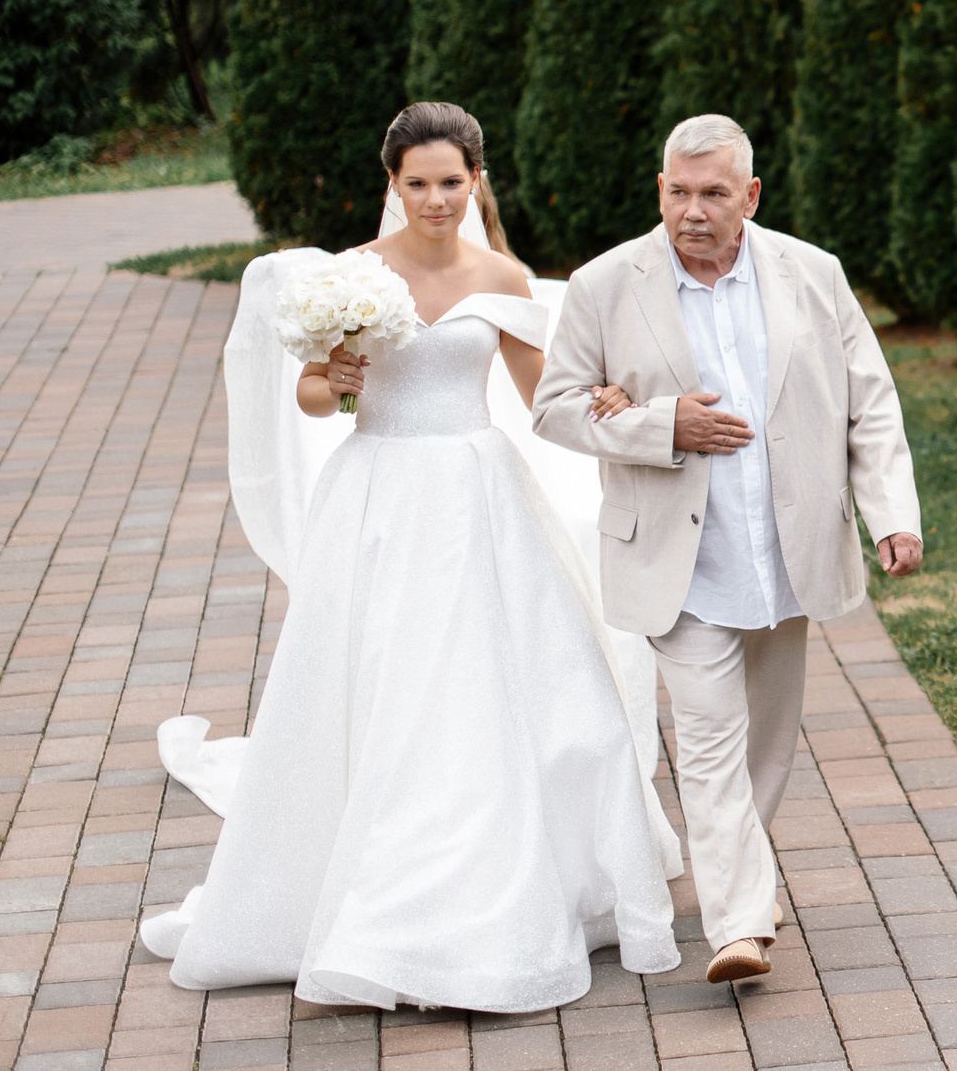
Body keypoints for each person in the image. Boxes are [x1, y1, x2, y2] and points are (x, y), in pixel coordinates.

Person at [138, 103, 685, 1011]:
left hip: (477, 493)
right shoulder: (353, 277)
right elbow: (314, 394)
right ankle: (381, 904)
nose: (436, 198)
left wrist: (610, 398)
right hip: (381, 496)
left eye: (452, 181)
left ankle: (497, 891)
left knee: (497, 682)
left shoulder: (502, 274)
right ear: (393, 182)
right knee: (388, 678)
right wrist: (334, 382)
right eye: (418, 182)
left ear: (477, 180)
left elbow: (540, 393)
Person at [533, 114, 923, 984]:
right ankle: (739, 925)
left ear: (750, 196)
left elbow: (871, 397)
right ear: (659, 190)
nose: (692, 211)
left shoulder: (811, 273)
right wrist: (664, 423)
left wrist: (891, 512)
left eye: (713, 193)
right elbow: (555, 406)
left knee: (768, 744)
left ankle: (744, 874)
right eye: (678, 191)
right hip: (679, 560)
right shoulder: (604, 284)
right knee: (708, 739)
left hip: (787, 552)